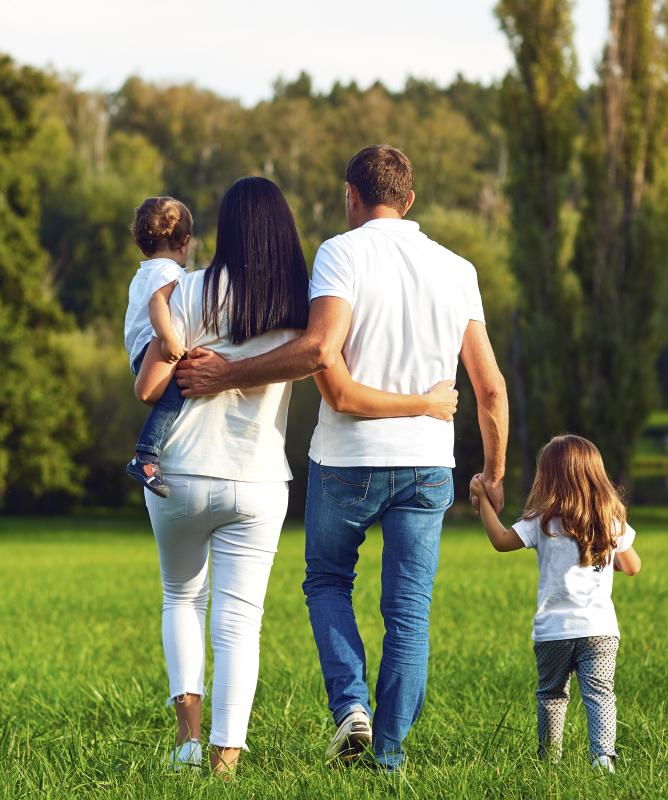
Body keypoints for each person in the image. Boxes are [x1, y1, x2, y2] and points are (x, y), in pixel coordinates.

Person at [175, 145, 509, 770]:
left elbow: (320, 350)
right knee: (408, 612)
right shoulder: (457, 268)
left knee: (328, 581)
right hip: (428, 464)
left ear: (350, 195)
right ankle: (388, 757)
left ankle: (351, 709)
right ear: (410, 201)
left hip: (347, 460)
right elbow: (489, 387)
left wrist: (226, 374)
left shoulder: (341, 253)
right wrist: (492, 473)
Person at [469, 434, 642, 773]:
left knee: (551, 695)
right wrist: (606, 556)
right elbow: (632, 566)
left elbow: (502, 542)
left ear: (547, 476)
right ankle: (603, 760)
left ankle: (549, 761)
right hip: (600, 631)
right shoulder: (610, 519)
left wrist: (483, 503)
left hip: (553, 632)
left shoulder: (542, 520)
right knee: (600, 694)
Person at [123, 196, 194, 498]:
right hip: (153, 349)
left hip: (138, 354)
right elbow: (157, 304)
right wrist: (167, 337)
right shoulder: (170, 273)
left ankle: (152, 454)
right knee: (180, 388)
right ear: (185, 241)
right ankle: (147, 455)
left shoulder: (145, 272)